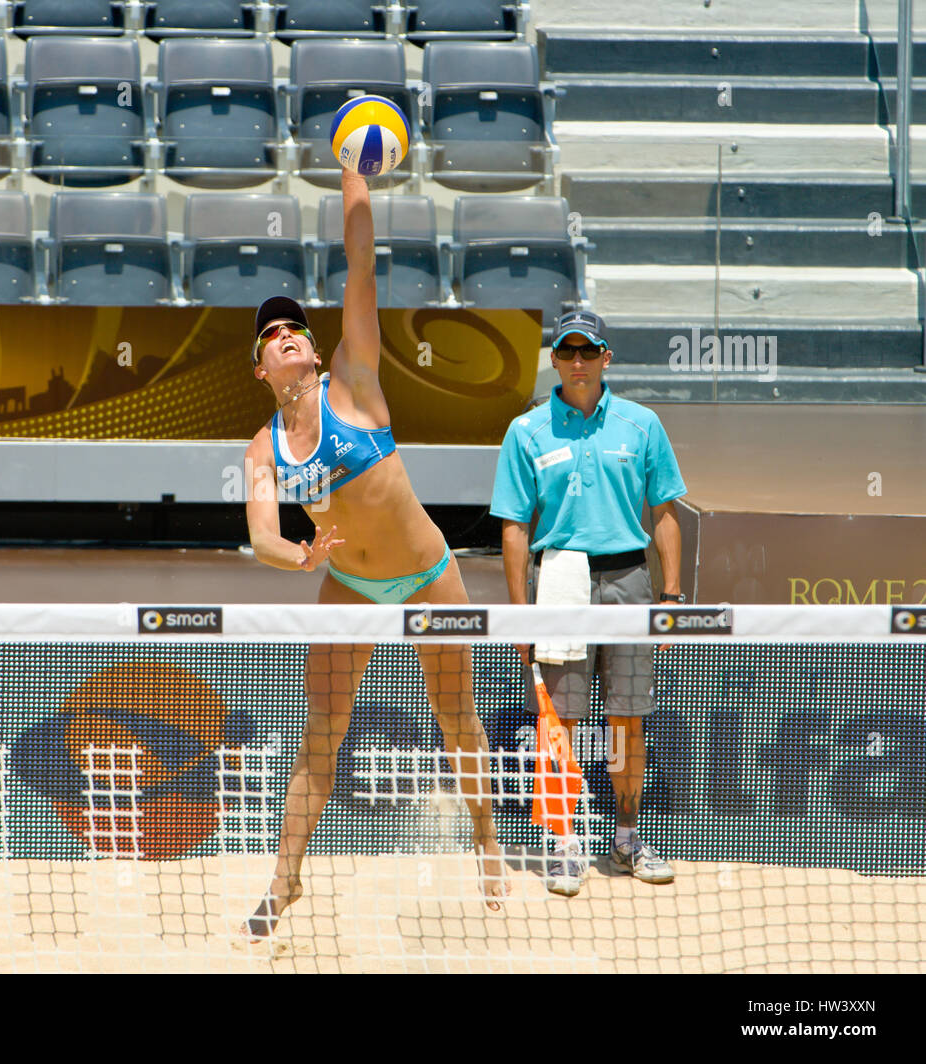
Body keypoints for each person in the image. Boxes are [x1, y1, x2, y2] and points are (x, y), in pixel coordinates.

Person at [241, 168, 506, 938]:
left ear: (314, 353)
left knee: (458, 720)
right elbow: (261, 534)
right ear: (261, 370)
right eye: (270, 337)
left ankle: (488, 843)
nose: (285, 335)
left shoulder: (353, 383)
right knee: (319, 733)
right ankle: (283, 880)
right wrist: (301, 556)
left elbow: (361, 262)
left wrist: (355, 174)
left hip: (429, 575)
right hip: (350, 583)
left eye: (293, 329)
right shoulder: (262, 445)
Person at [491, 310, 686, 897]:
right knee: (560, 724)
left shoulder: (642, 424)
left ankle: (626, 837)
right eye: (568, 351)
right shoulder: (526, 430)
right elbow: (514, 529)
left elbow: (667, 511)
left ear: (607, 358)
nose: (578, 361)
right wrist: (523, 612)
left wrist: (671, 595)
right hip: (560, 584)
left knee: (627, 720)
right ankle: (564, 844)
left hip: (629, 581)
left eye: (589, 351)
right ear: (554, 359)